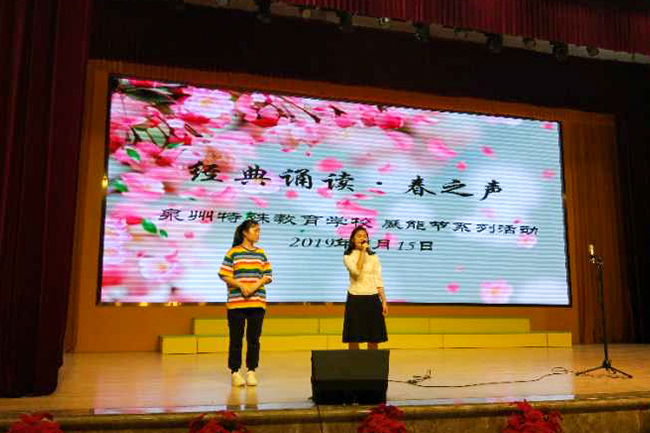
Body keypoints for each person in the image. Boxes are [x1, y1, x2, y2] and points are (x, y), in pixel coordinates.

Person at [218, 220, 272, 387]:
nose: (258, 234)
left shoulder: (261, 253)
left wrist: (253, 287)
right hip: (236, 303)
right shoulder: (233, 252)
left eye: (259, 231)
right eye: (255, 230)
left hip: (257, 302)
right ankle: (235, 371)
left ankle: (251, 371)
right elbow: (224, 274)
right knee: (236, 338)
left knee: (254, 339)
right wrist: (241, 286)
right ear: (245, 232)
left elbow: (267, 275)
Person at [342, 226, 388, 349]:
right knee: (354, 337)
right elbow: (357, 271)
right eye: (359, 236)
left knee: (374, 337)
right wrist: (363, 251)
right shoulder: (348, 257)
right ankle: (354, 361)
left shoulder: (374, 257)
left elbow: (378, 280)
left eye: (365, 236)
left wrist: (384, 301)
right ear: (353, 239)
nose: (362, 238)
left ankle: (372, 361)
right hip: (355, 298)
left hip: (373, 298)